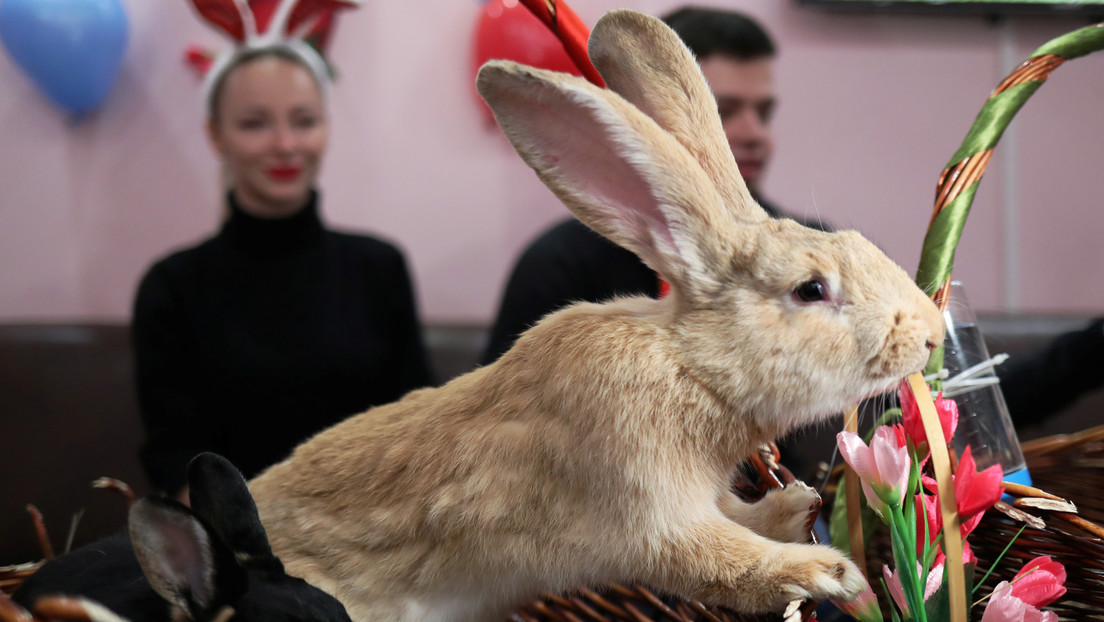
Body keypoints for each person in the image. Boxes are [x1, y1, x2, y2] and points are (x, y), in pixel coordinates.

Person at [132, 1, 433, 501]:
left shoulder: (379, 268)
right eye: (254, 123)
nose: (285, 144)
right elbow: (175, 460)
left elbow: (417, 430)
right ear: (216, 135)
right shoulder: (172, 287)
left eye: (304, 120)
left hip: (369, 541)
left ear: (327, 127)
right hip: (234, 549)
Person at [481, 6, 827, 365]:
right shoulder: (560, 266)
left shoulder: (817, 266)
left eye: (764, 113)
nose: (755, 134)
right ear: (652, 113)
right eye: (724, 112)